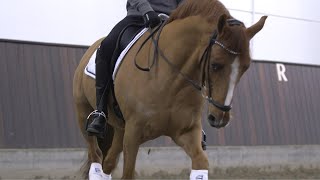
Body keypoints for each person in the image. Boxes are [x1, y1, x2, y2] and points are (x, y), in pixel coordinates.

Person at [86, 0, 184, 138]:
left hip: (173, 21)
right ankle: (101, 112)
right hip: (138, 17)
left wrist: (183, 16)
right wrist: (147, 10)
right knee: (105, 49)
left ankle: (191, 120)